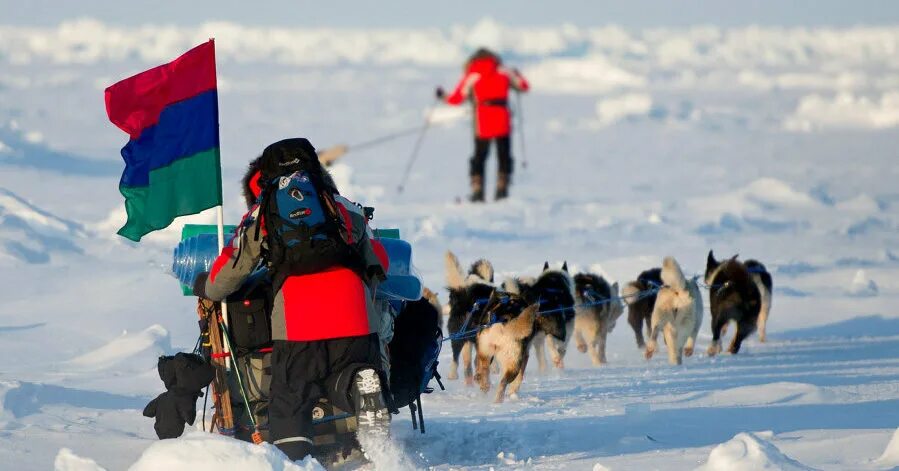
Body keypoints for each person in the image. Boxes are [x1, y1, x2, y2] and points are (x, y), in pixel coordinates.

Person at [194, 138, 391, 461]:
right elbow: (380, 263)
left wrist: (208, 286)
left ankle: (296, 462)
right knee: (346, 372)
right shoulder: (341, 206)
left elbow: (230, 270)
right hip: (355, 316)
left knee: (290, 400)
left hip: (299, 324)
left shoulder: (264, 211)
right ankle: (358, 382)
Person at [436, 48, 529, 202]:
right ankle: (502, 188)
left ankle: (477, 189)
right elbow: (523, 86)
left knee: (480, 156)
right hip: (502, 117)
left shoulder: (473, 74)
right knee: (504, 155)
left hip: (483, 118)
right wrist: (517, 74)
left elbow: (456, 98)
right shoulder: (504, 71)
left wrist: (442, 96)